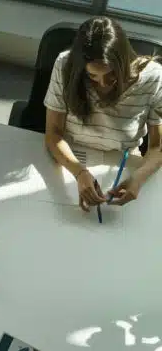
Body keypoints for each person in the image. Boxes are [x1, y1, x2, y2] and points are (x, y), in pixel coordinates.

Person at [44, 16, 162, 211]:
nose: (103, 84)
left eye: (111, 75)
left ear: (124, 62)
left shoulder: (154, 77)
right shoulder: (65, 65)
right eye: (92, 76)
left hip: (120, 163)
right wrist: (80, 173)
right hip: (69, 157)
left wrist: (138, 178)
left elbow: (157, 146)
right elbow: (53, 134)